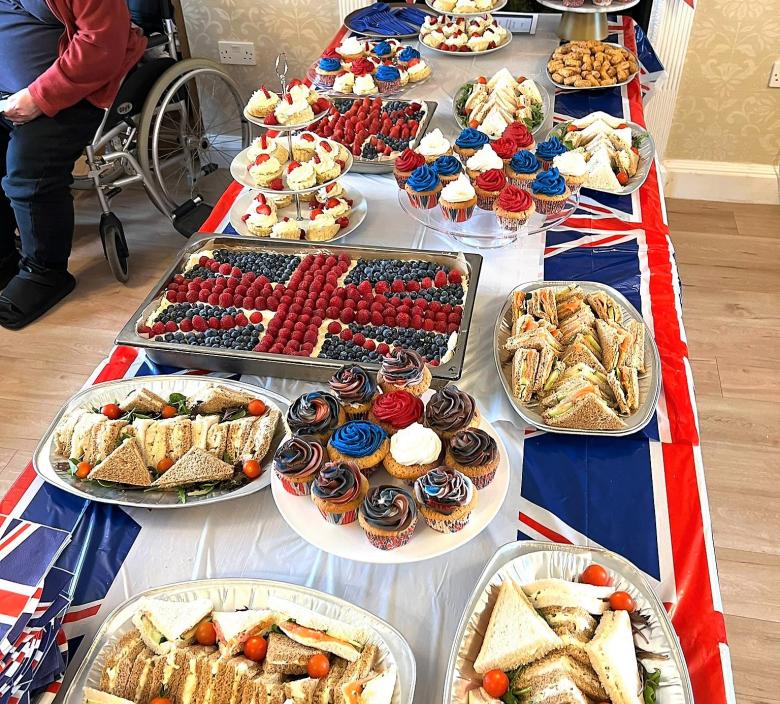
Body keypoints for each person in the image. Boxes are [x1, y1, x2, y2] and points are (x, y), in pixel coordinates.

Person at [0, 0, 147, 329]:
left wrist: (39, 96)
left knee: (30, 168)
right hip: (9, 93)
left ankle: (45, 273)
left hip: (80, 88)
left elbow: (101, 43)